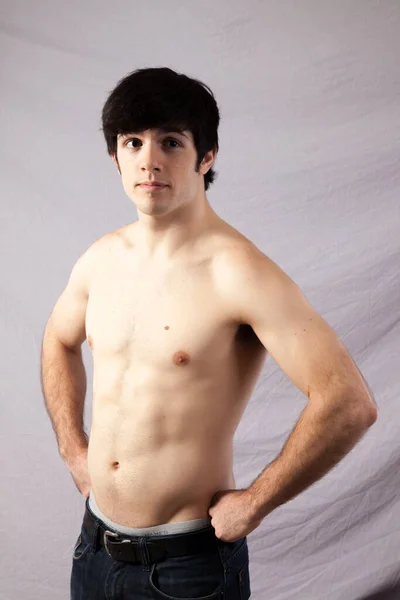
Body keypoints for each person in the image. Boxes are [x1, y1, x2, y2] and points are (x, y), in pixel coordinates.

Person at [40, 67, 378, 600]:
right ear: (116, 159)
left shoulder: (240, 273)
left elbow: (348, 401)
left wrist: (256, 502)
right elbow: (59, 340)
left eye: (171, 142)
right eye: (133, 143)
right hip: (95, 545)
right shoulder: (100, 259)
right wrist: (71, 448)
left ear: (207, 156)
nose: (150, 161)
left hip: (187, 569)